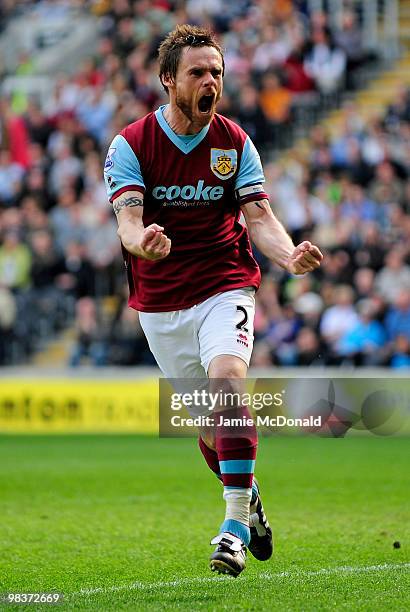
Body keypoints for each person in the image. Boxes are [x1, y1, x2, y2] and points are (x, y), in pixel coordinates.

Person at [104, 24, 322, 578]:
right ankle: (249, 499)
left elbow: (260, 218)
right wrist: (143, 243)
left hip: (226, 284)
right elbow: (127, 223)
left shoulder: (235, 142)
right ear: (168, 80)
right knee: (207, 428)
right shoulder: (131, 144)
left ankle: (232, 528)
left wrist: (288, 254)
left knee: (228, 384)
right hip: (160, 303)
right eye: (198, 72)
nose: (211, 82)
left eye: (217, 72)